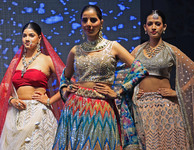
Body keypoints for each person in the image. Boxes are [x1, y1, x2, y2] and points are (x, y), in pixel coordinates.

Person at [53, 5, 148, 150]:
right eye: (85, 20)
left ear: (101, 22)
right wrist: (65, 89)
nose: (89, 24)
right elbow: (65, 78)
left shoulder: (113, 47)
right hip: (75, 108)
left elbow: (140, 70)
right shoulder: (75, 50)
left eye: (93, 20)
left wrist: (119, 92)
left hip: (102, 106)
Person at [131, 10, 194, 150]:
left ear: (164, 27)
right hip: (142, 106)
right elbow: (126, 74)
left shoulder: (171, 50)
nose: (154, 27)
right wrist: (132, 92)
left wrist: (178, 92)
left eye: (157, 24)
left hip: (166, 105)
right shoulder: (137, 50)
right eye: (150, 24)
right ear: (145, 27)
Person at [0, 22, 65, 149]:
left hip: (38, 114)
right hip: (15, 116)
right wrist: (11, 100)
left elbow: (68, 83)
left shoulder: (47, 60)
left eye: (31, 35)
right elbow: (4, 88)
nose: (27, 39)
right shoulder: (15, 62)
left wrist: (49, 100)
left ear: (39, 38)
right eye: (24, 36)